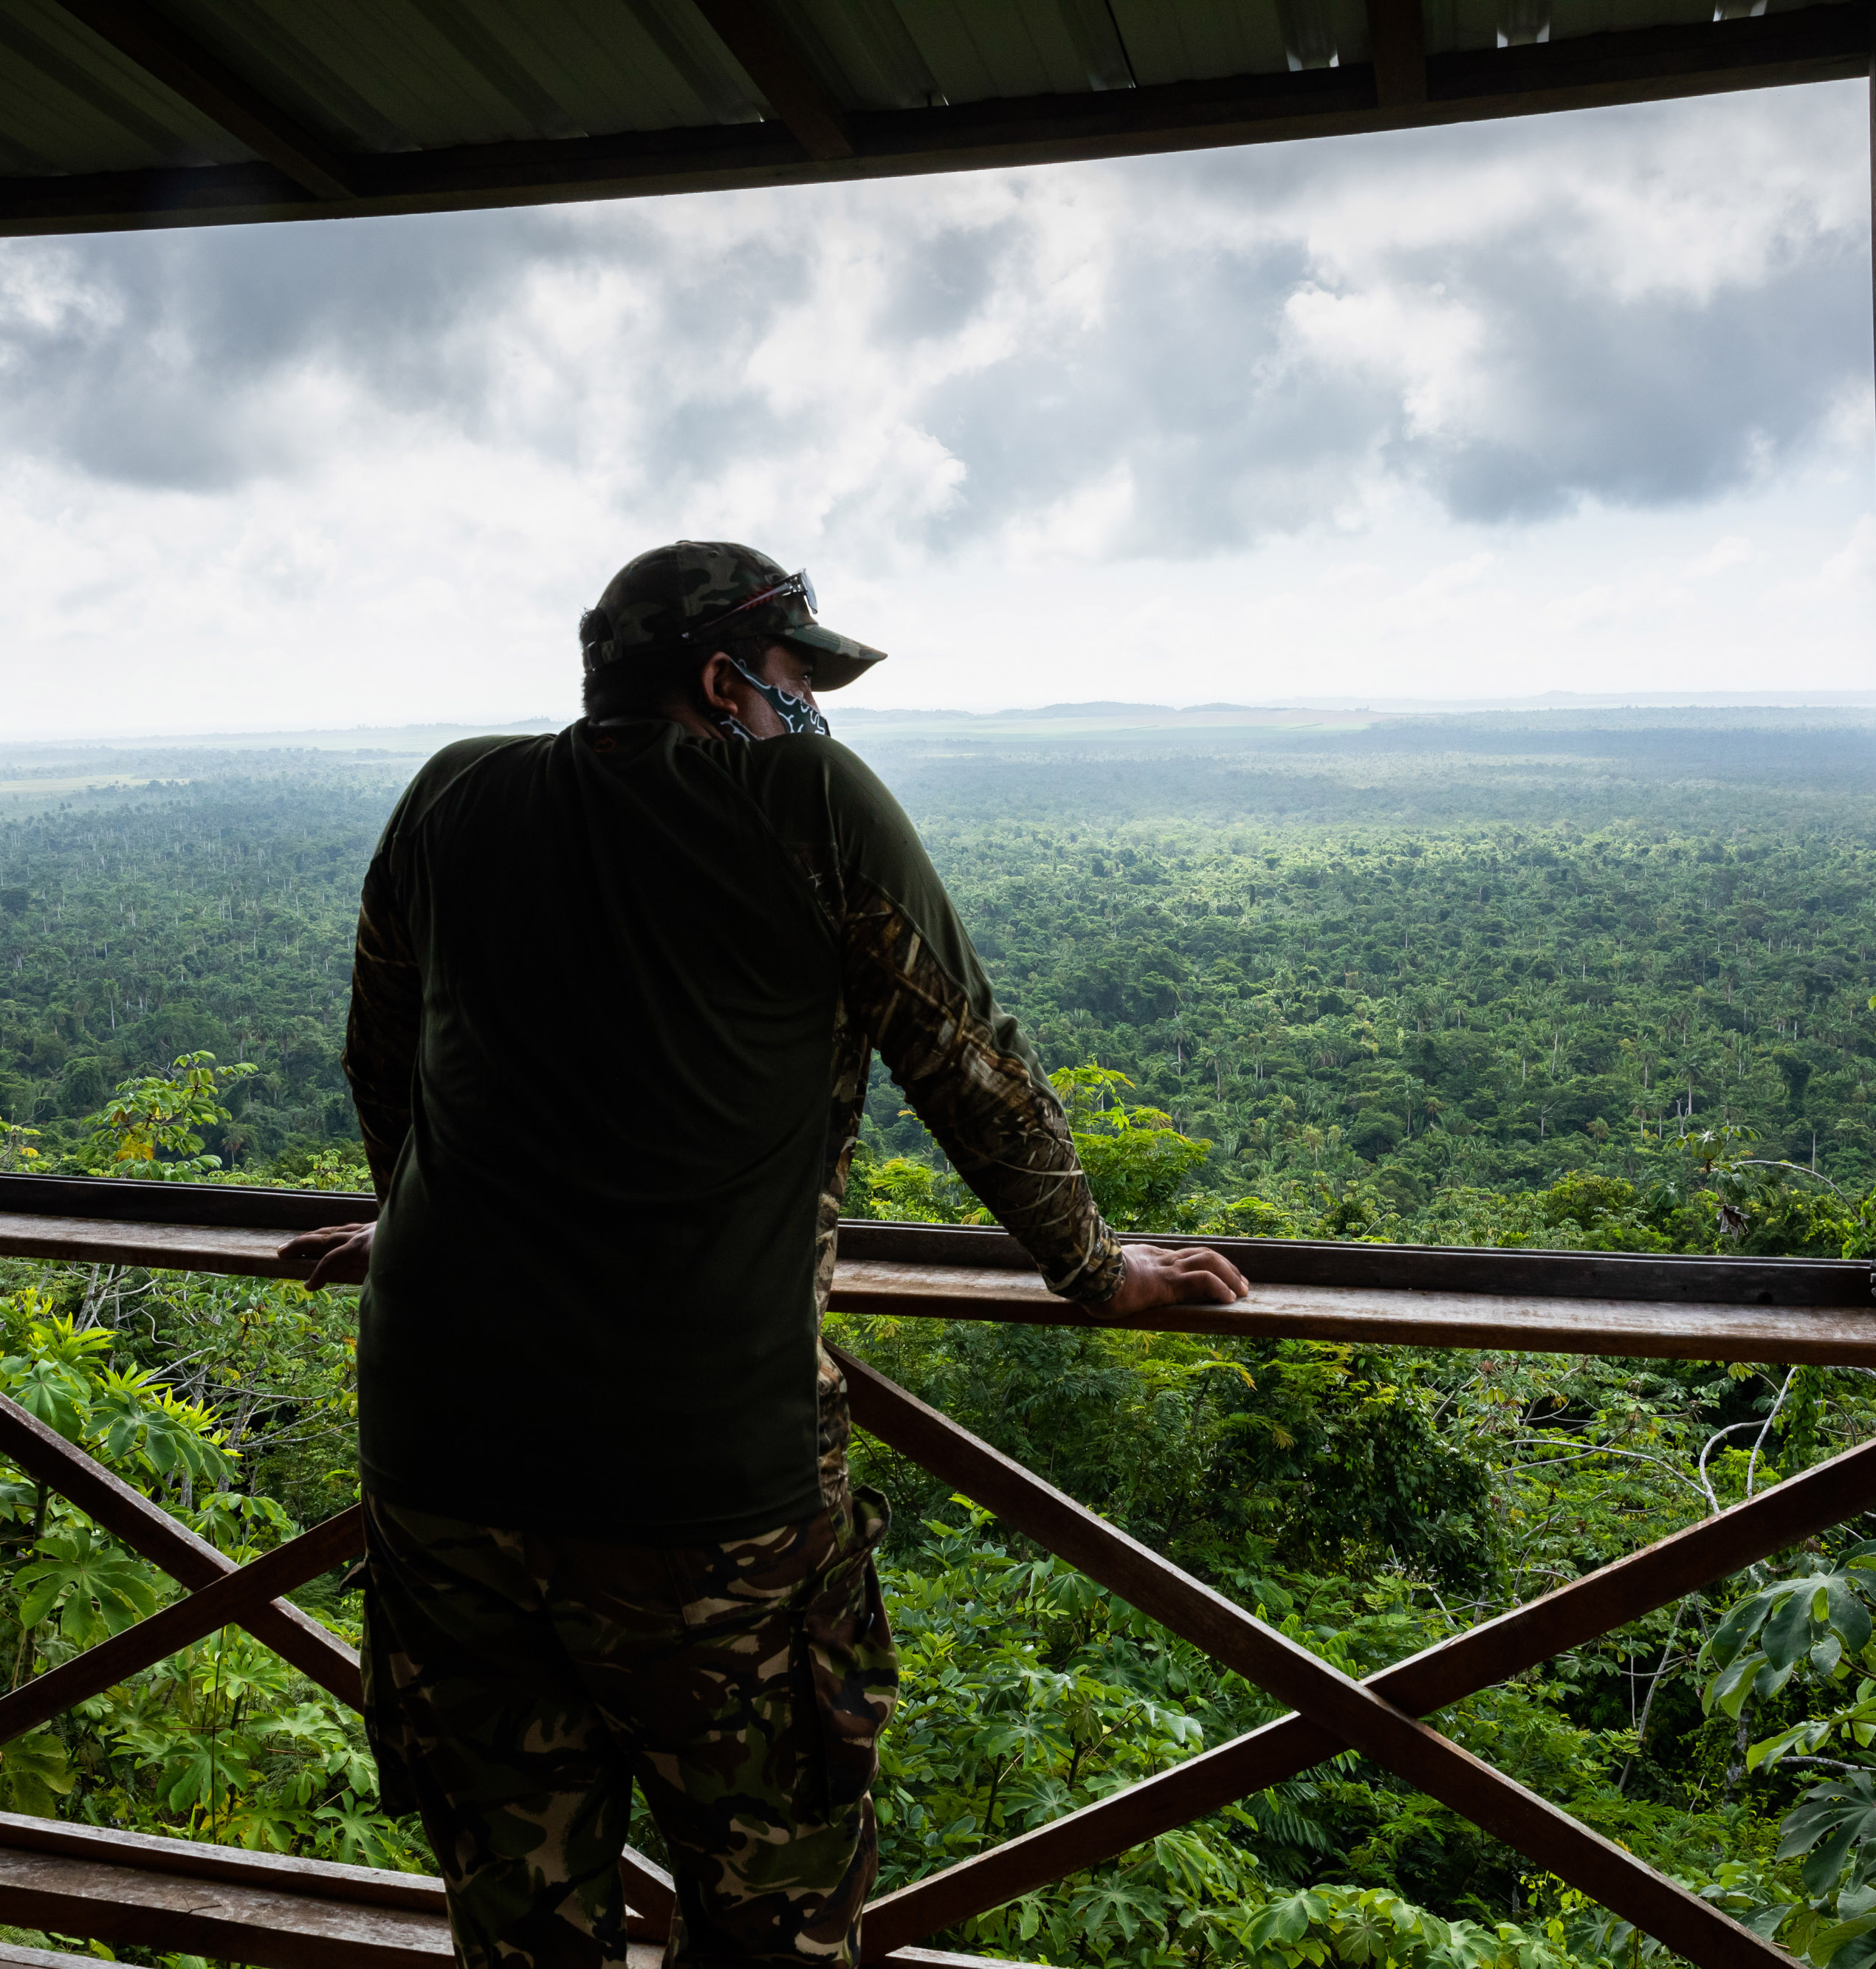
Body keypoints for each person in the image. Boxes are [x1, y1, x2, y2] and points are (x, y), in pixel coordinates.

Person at [279, 540, 1249, 1969]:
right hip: (699, 1470)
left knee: (515, 1901)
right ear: (727, 678)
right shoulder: (804, 796)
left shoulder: (456, 789)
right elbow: (965, 1055)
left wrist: (424, 1213)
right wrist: (1095, 1268)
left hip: (438, 1446)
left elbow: (388, 1050)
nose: (812, 705)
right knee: (769, 1901)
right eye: (798, 674)